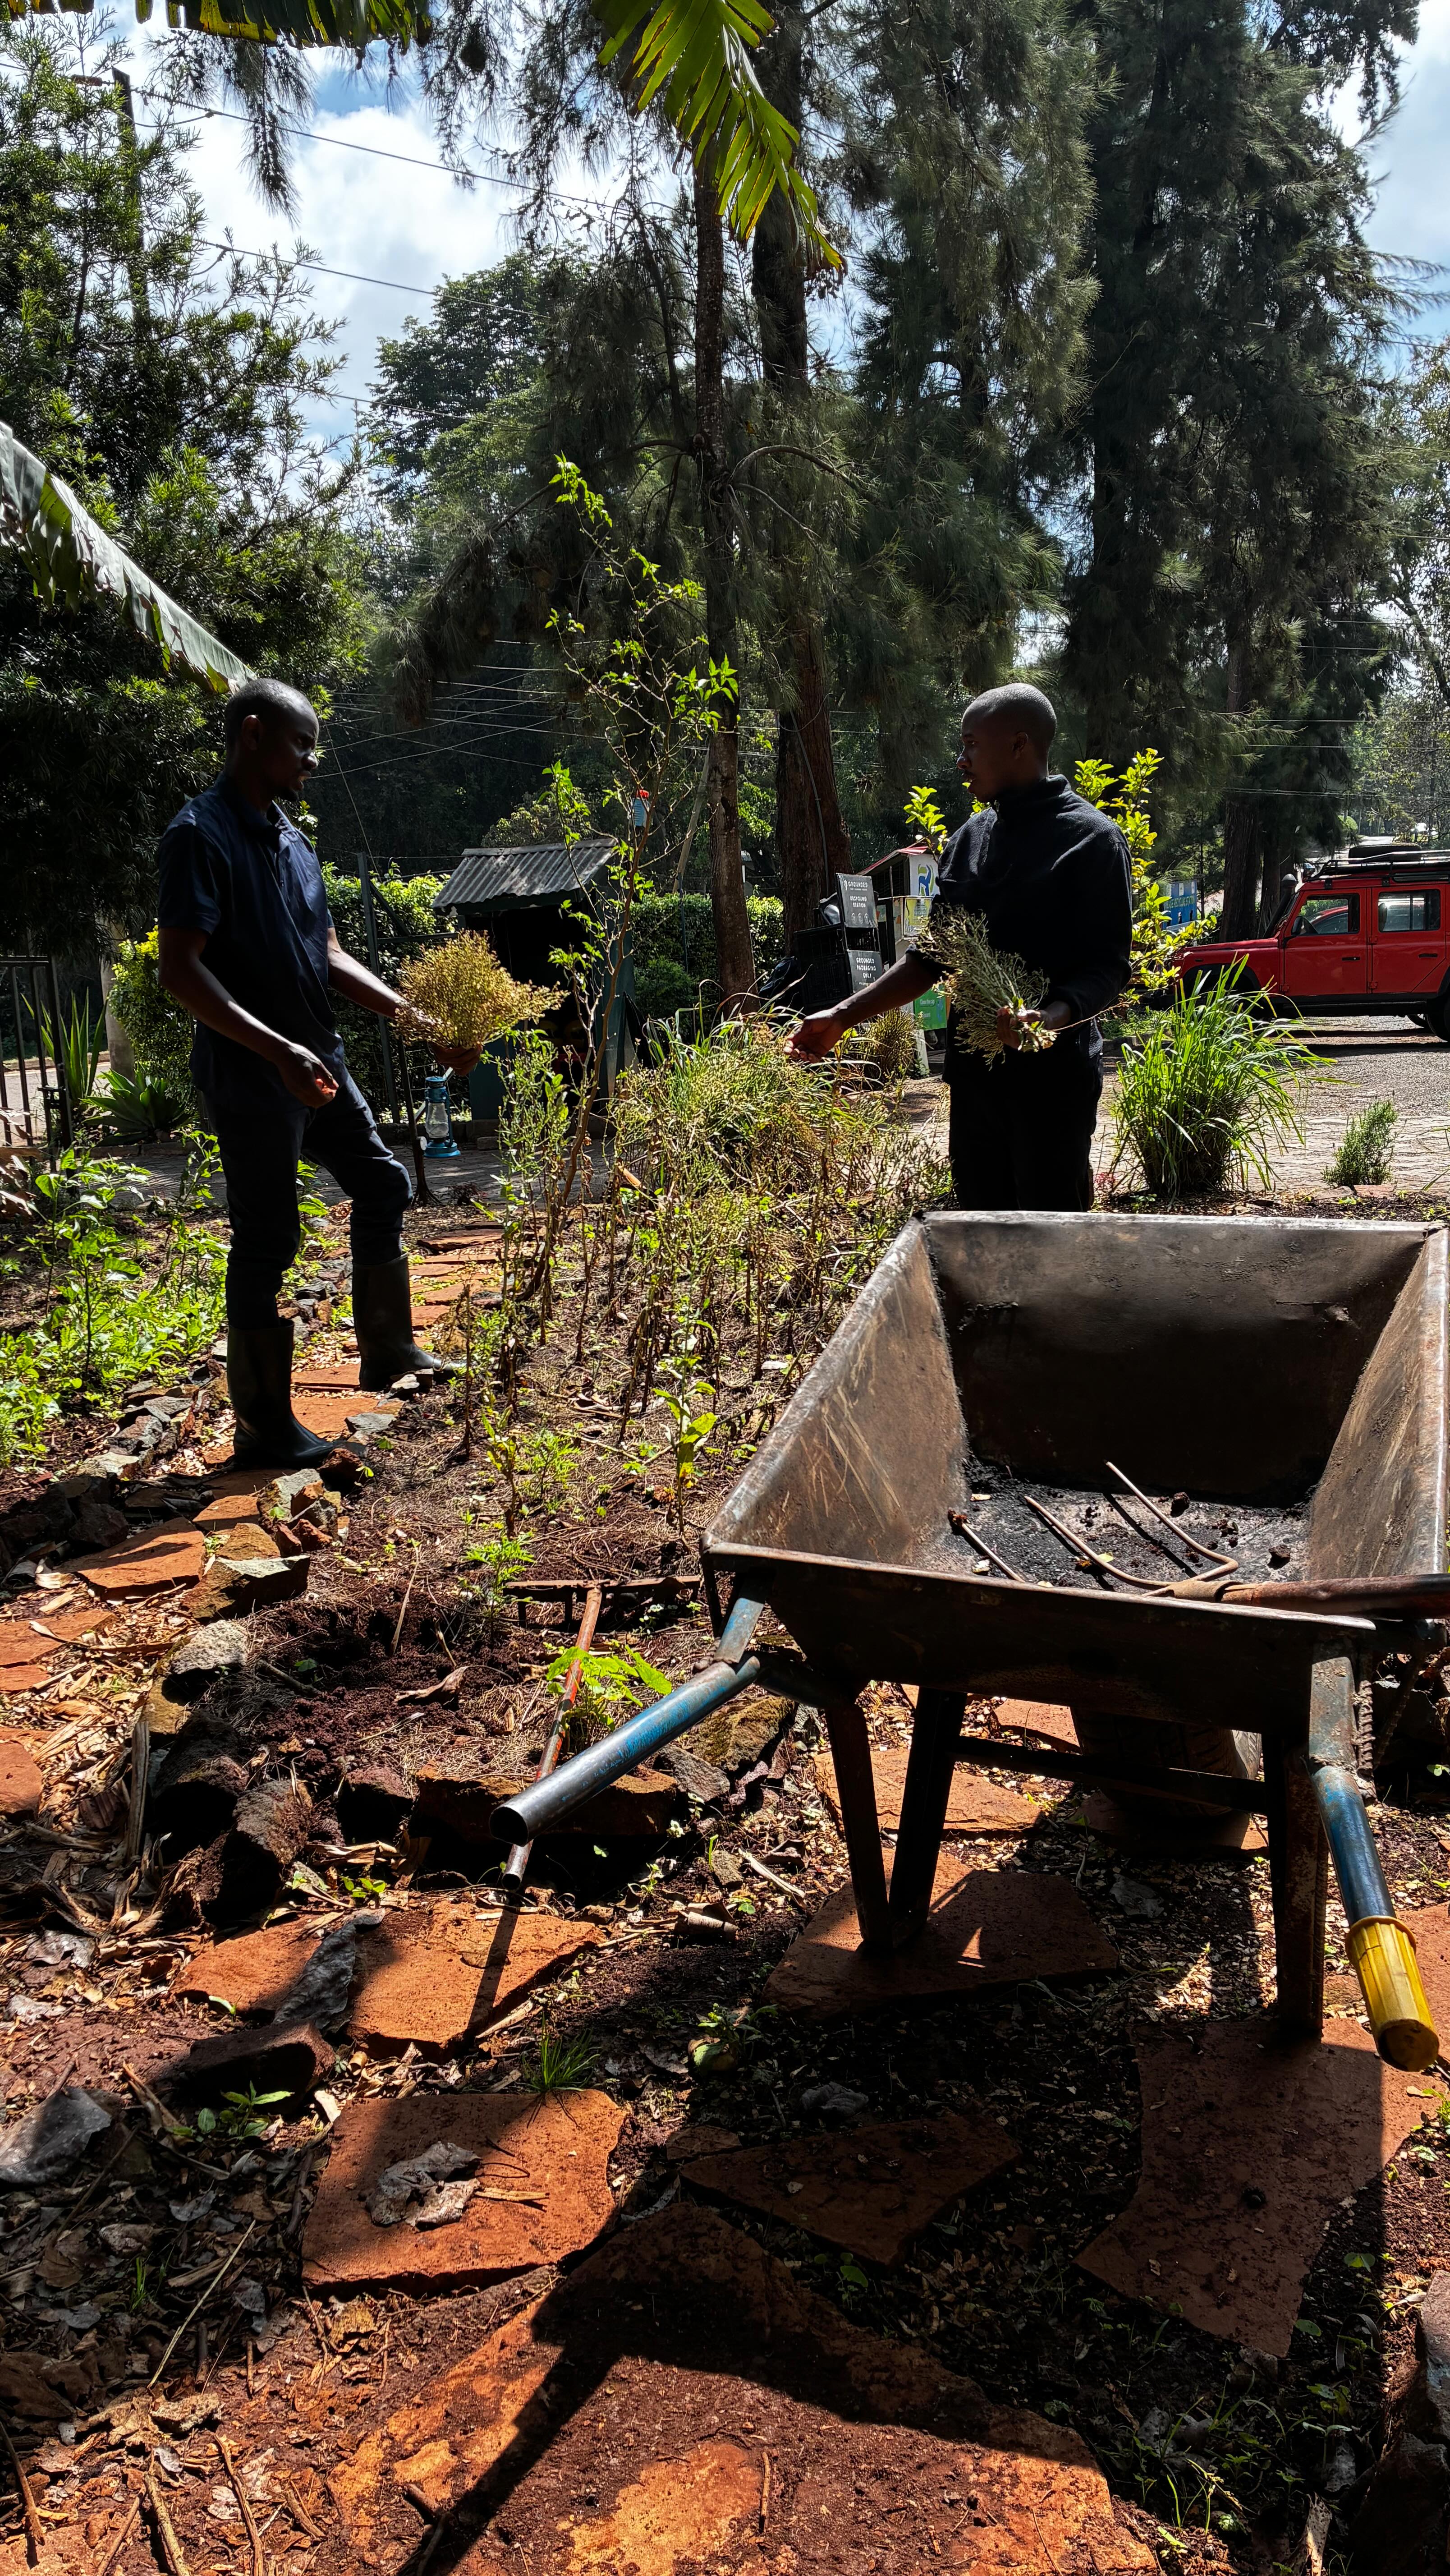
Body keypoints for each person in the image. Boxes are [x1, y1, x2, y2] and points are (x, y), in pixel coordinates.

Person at [157, 676, 457, 1470]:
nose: (312, 760)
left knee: (384, 1184)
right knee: (268, 1237)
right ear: (253, 734)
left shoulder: (291, 840)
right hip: (253, 1074)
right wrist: (277, 1051)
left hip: (318, 1061)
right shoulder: (199, 835)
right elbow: (181, 970)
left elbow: (327, 954)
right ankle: (263, 1425)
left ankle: (388, 1350)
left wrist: (417, 1018)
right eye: (301, 743)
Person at [789, 684, 1133, 1210]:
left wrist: (1049, 1018)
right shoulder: (970, 839)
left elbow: (1107, 968)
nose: (961, 760)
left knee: (1051, 1240)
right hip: (977, 1086)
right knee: (979, 1232)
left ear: (1019, 745)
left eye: (972, 744)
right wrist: (843, 1015)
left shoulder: (1092, 841)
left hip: (1053, 1089)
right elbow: (931, 958)